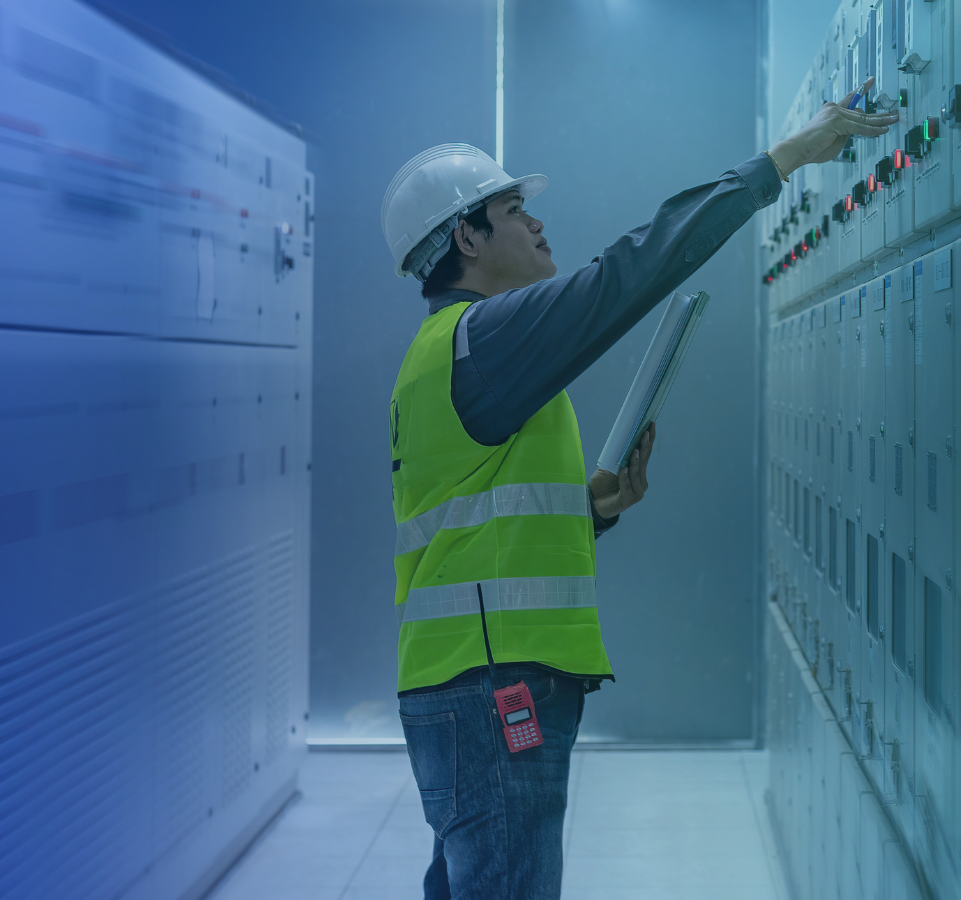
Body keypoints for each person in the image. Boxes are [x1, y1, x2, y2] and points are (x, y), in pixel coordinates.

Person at [379, 79, 899, 899]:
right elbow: (628, 274)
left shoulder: (441, 353)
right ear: (466, 238)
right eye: (513, 211)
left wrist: (590, 507)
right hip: (492, 690)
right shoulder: (482, 340)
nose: (537, 223)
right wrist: (782, 161)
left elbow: (469, 525)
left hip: (469, 685)